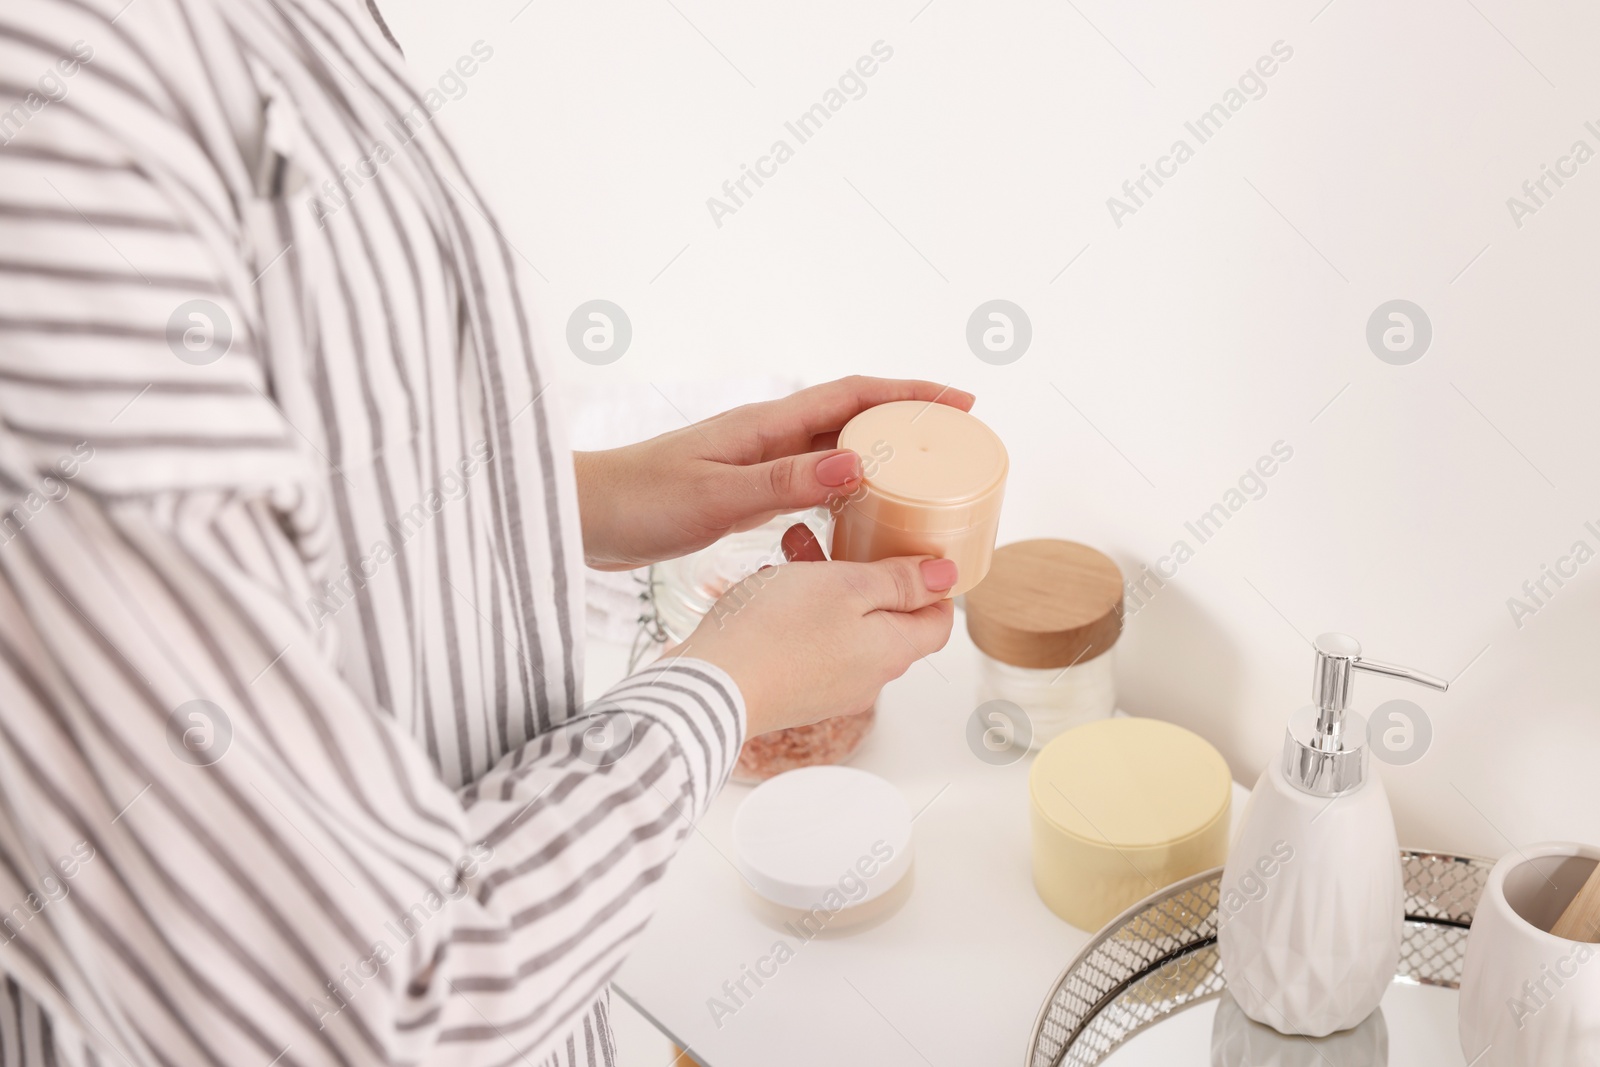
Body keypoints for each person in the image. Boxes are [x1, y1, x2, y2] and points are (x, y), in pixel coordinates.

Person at [0, 0, 966, 1063]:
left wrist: (570, 498)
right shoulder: (48, 125)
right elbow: (359, 1005)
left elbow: (285, 437)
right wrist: (727, 686)